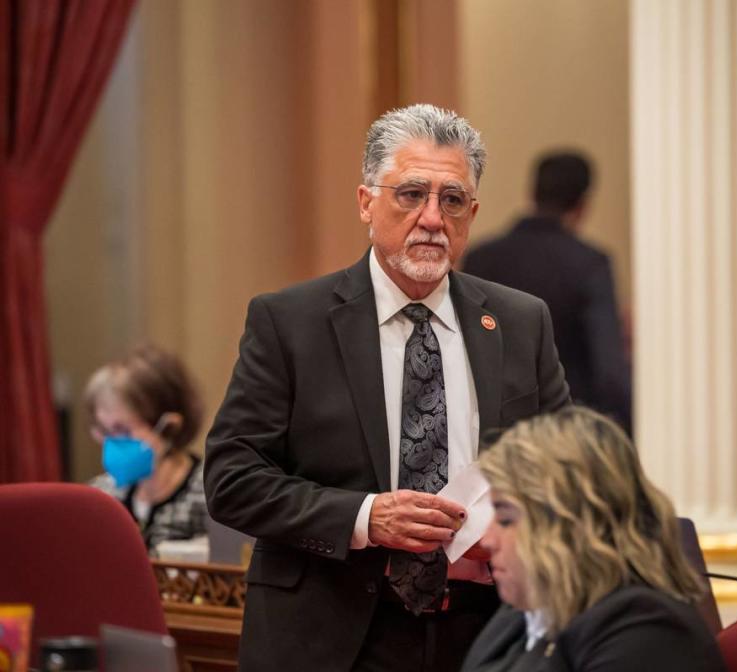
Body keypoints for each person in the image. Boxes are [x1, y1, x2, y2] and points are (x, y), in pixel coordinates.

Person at [204, 104, 570, 672]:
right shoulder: (291, 322)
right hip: (330, 634)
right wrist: (365, 517)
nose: (431, 218)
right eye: (410, 194)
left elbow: (567, 474)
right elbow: (232, 479)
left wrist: (510, 532)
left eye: (451, 200)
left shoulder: (522, 322)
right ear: (366, 203)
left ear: (471, 213)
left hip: (485, 633)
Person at [462, 406, 726, 672]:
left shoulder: (643, 629)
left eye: (506, 519)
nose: (488, 540)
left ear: (573, 524)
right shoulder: (534, 603)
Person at [462, 152, 631, 432]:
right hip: (565, 435)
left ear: (533, 193)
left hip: (492, 435)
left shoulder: (481, 258)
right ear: (582, 204)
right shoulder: (590, 264)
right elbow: (609, 370)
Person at [85, 344, 206, 553]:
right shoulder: (99, 497)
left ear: (169, 426)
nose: (110, 442)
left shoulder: (211, 494)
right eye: (104, 430)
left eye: (122, 430)